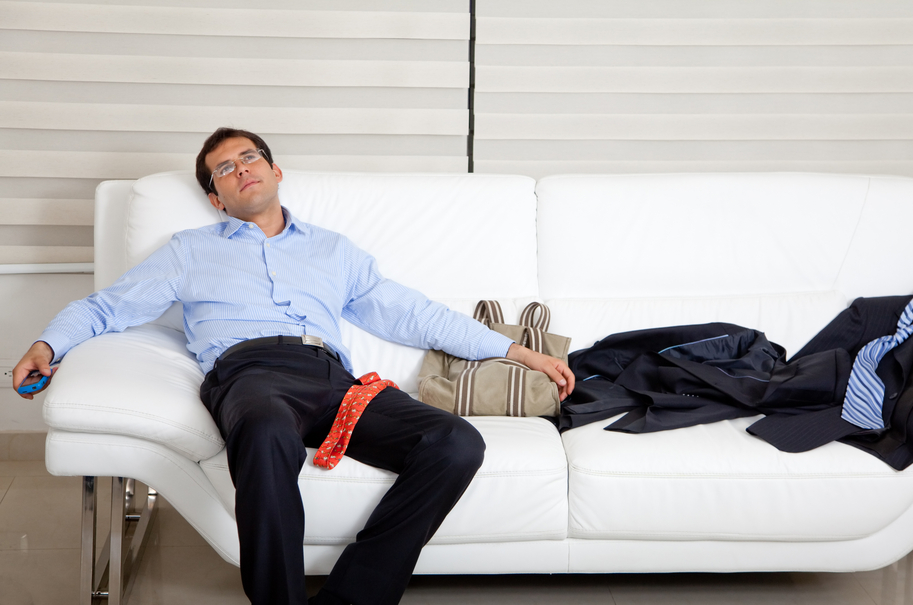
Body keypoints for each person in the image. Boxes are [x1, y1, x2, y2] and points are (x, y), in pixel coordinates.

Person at [12, 127, 575, 605]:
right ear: (217, 198)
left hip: (334, 381)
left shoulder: (334, 250)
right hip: (249, 374)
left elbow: (413, 313)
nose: (240, 170)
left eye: (249, 158)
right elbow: (109, 306)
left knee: (456, 442)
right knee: (262, 429)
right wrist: (47, 345)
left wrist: (518, 352)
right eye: (224, 170)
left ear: (276, 170)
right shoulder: (190, 250)